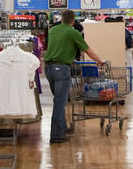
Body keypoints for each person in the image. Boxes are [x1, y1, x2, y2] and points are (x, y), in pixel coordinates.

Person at [43, 10, 105, 144]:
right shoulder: (73, 32)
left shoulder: (53, 30)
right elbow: (88, 50)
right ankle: (56, 135)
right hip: (61, 69)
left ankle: (63, 127)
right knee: (60, 103)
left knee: (58, 100)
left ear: (61, 19)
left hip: (48, 69)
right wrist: (101, 61)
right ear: (73, 21)